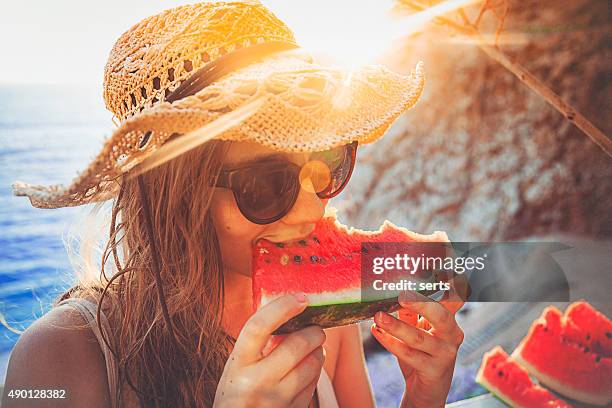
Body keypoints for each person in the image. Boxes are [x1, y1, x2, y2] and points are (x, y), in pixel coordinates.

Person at [4, 2, 464, 407]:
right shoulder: (58, 362)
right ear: (177, 193)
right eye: (266, 183)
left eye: (326, 165)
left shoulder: (327, 324)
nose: (310, 211)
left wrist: (423, 397)